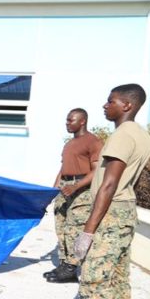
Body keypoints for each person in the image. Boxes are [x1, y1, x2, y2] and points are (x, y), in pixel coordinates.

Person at [43, 84, 150, 299]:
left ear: (127, 105)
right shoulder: (142, 135)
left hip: (109, 212)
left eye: (111, 101)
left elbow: (108, 183)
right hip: (126, 212)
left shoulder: (122, 135)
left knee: (93, 282)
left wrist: (88, 230)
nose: (105, 106)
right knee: (118, 282)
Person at [44, 108, 103, 283]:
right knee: (61, 228)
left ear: (82, 121)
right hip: (65, 187)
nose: (67, 123)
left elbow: (97, 170)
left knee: (73, 229)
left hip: (81, 189)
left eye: (71, 120)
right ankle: (64, 264)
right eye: (67, 120)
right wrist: (52, 192)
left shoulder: (93, 142)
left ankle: (72, 267)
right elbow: (63, 170)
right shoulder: (69, 144)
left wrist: (76, 185)